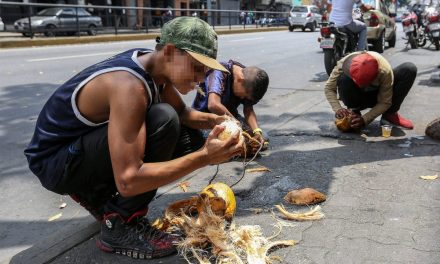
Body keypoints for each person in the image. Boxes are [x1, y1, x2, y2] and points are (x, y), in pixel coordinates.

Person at [24, 17, 243, 260]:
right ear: (170, 52)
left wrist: (219, 122)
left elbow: (185, 113)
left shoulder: (155, 67)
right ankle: (120, 224)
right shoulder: (129, 86)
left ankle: (98, 194)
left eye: (206, 71)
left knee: (186, 134)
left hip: (76, 149)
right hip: (55, 162)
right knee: (165, 120)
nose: (201, 78)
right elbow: (129, 180)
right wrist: (205, 157)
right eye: (197, 67)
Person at [325, 51, 417, 130]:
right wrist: (338, 109)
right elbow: (329, 88)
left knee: (409, 68)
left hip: (376, 96)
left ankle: (390, 114)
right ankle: (353, 110)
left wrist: (365, 119)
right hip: (357, 97)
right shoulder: (344, 63)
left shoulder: (384, 70)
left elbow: (385, 102)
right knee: (344, 79)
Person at [192, 60, 269, 152]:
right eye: (244, 95)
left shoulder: (248, 79)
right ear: (240, 80)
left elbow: (248, 110)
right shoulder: (219, 72)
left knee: (263, 137)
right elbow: (213, 104)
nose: (243, 98)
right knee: (223, 144)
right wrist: (236, 124)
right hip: (207, 119)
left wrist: (257, 131)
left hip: (232, 120)